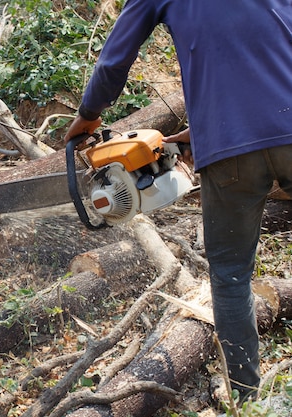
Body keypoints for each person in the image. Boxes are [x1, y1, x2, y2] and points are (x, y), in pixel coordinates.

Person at [64, 0, 292, 404]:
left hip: (231, 154)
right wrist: (203, 129)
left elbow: (115, 61)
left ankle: (246, 399)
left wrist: (89, 114)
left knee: (231, 275)